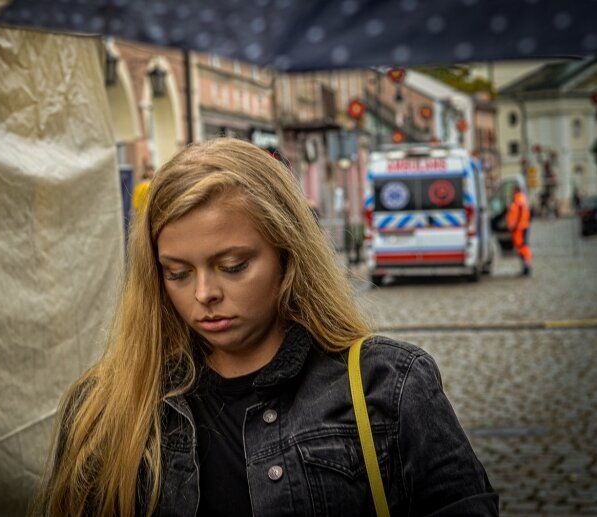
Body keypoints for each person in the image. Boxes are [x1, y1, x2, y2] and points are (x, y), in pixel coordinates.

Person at [34, 138, 498, 516]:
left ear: (287, 255)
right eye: (176, 273)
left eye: (233, 266)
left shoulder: (388, 387)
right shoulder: (103, 406)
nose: (204, 294)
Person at [506, 185, 532, 276]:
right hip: (521, 227)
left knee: (522, 247)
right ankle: (525, 266)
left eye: (513, 191)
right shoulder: (521, 201)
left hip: (519, 228)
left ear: (516, 191)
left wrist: (514, 226)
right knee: (522, 247)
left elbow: (519, 216)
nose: (512, 193)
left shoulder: (519, 202)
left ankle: (526, 266)